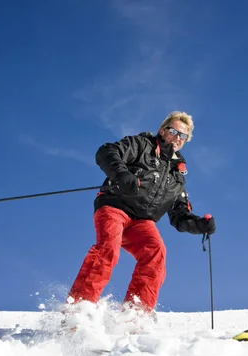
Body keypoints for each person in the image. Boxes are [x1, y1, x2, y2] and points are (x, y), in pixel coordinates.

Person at [66, 111, 216, 315]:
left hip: (141, 221)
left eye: (183, 136)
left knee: (156, 252)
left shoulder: (177, 175)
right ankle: (78, 309)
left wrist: (199, 225)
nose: (178, 138)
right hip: (115, 206)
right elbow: (107, 152)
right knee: (108, 248)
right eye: (174, 131)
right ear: (162, 131)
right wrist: (122, 174)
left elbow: (179, 215)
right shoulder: (142, 145)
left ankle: (135, 316)